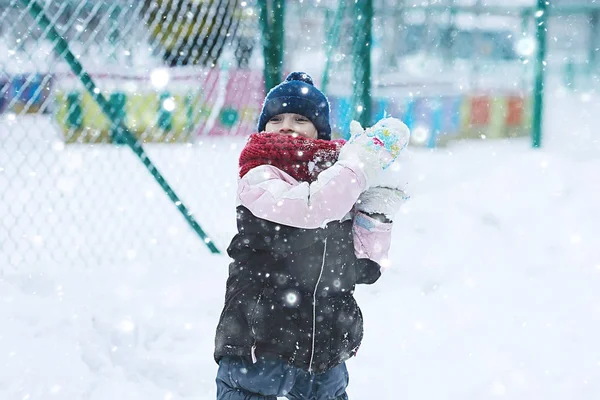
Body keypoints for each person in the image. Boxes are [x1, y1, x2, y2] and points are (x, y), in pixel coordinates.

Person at [214, 72, 409, 400]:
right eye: (275, 119)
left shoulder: (339, 179)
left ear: (320, 130)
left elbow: (366, 265)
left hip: (323, 343)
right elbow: (311, 208)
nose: (286, 125)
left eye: (300, 118)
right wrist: (357, 167)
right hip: (260, 340)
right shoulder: (259, 174)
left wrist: (377, 205)